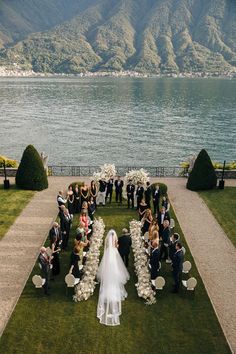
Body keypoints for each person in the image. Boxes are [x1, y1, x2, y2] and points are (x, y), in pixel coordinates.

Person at [97, 230, 130, 326]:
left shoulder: (107, 240)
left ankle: (107, 279)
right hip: (113, 253)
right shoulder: (115, 238)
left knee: (107, 267)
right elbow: (116, 246)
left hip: (108, 253)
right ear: (114, 235)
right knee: (116, 266)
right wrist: (116, 246)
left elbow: (106, 246)